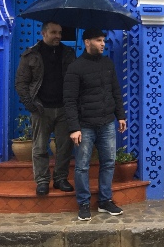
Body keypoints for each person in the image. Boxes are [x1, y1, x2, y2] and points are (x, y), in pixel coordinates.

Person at [64, 29, 127, 221]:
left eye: (104, 41)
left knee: (108, 163)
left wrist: (120, 116)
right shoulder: (76, 67)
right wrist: (74, 128)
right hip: (85, 126)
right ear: (87, 42)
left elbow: (115, 91)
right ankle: (83, 203)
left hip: (107, 122)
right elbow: (70, 100)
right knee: (82, 166)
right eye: (98, 40)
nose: (102, 44)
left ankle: (105, 201)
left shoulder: (108, 64)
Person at [15, 21, 76, 196]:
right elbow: (21, 83)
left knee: (64, 146)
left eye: (60, 32)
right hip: (41, 108)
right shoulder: (31, 55)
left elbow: (75, 79)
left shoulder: (68, 53)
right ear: (43, 33)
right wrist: (31, 105)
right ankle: (42, 181)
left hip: (64, 108)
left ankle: (60, 179)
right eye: (54, 32)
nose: (58, 36)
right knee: (40, 147)